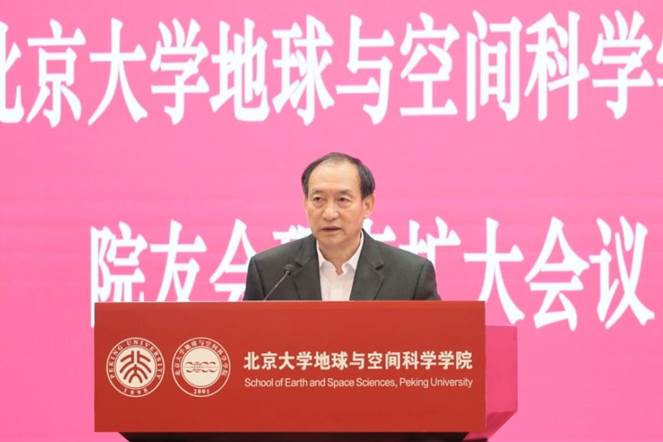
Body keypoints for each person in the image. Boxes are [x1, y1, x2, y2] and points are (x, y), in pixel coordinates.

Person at [243, 152, 439, 301]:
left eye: (343, 200)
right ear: (305, 204)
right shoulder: (269, 272)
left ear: (367, 205)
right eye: (318, 199)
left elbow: (434, 341)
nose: (329, 213)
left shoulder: (411, 275)